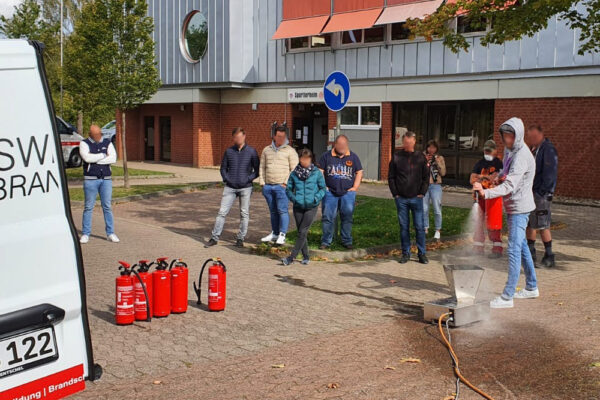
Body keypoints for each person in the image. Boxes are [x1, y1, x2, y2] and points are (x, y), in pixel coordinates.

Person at [473, 118, 539, 309]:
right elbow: (507, 174)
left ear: (517, 135)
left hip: (519, 208)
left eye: (511, 136)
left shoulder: (522, 156)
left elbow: (511, 185)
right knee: (522, 246)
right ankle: (532, 286)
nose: (507, 139)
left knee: (513, 249)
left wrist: (487, 193)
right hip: (514, 207)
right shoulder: (511, 151)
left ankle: (507, 296)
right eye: (505, 136)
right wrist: (497, 177)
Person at [206, 127, 259, 248]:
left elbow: (257, 170)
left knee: (244, 214)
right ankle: (214, 238)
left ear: (244, 136)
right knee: (222, 212)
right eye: (236, 137)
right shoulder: (229, 151)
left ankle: (240, 239)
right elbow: (223, 168)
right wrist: (226, 179)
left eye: (240, 136)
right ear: (233, 138)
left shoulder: (251, 151)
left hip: (245, 187)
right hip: (230, 187)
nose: (238, 139)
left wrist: (248, 179)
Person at [388, 131, 429, 264]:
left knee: (419, 226)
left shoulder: (420, 157)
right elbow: (391, 177)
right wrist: (396, 194)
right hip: (402, 199)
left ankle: (422, 253)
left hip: (416, 198)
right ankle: (405, 253)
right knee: (404, 226)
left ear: (414, 142)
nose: (408, 145)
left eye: (410, 142)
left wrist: (422, 192)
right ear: (403, 142)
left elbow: (425, 177)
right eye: (405, 142)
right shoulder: (396, 157)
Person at [317, 135, 363, 250]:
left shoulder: (353, 157)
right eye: (340, 145)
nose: (342, 147)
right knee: (328, 217)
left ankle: (347, 241)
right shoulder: (326, 156)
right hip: (330, 193)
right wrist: (324, 187)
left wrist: (355, 187)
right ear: (335, 144)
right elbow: (320, 172)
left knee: (347, 217)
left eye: (345, 145)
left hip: (348, 193)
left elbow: (359, 172)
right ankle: (326, 241)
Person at [282, 149, 327, 265]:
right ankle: (306, 256)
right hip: (298, 206)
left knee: (302, 231)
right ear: (299, 159)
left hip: (311, 207)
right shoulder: (294, 173)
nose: (305, 161)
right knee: (302, 232)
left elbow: (323, 189)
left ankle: (291, 258)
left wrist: (316, 199)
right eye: (302, 158)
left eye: (307, 159)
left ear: (311, 159)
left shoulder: (316, 173)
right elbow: (288, 189)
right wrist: (294, 199)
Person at [259, 125, 298, 245]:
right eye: (279, 136)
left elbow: (294, 169)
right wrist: (262, 182)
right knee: (273, 211)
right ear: (274, 136)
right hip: (268, 186)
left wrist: (286, 183)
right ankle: (274, 233)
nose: (281, 139)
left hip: (282, 187)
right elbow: (262, 167)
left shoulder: (290, 151)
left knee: (282, 210)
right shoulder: (266, 150)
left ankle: (282, 234)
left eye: (283, 136)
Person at [79, 124, 118, 244]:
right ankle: (86, 234)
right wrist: (102, 155)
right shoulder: (84, 143)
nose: (98, 136)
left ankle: (110, 233)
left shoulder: (107, 143)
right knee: (88, 207)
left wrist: (96, 160)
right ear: (90, 134)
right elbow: (87, 158)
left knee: (107, 206)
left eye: (99, 134)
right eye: (95, 135)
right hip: (90, 179)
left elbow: (113, 158)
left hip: (106, 179)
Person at [526, 125, 558, 268]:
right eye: (529, 137)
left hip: (541, 194)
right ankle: (531, 252)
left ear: (540, 134)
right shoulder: (533, 149)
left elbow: (550, 173)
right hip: (531, 192)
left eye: (533, 137)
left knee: (543, 223)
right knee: (531, 222)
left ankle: (549, 255)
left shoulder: (548, 149)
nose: (531, 139)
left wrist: (541, 192)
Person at [470, 140, 505, 258]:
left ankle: (497, 248)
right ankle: (478, 247)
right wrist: (485, 177)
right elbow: (472, 179)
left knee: (493, 223)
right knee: (478, 222)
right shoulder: (479, 163)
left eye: (489, 151)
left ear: (495, 151)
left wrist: (481, 177)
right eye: (485, 150)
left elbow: (497, 178)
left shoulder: (499, 164)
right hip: (480, 197)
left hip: (494, 198)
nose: (487, 152)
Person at [423, 140, 446, 240]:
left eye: (433, 148)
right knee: (424, 208)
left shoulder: (440, 158)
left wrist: (437, 163)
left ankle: (438, 230)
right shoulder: (422, 157)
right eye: (429, 147)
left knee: (437, 209)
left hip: (436, 186)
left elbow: (443, 173)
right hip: (424, 185)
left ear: (436, 149)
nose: (431, 150)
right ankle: (425, 227)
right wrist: (424, 161)